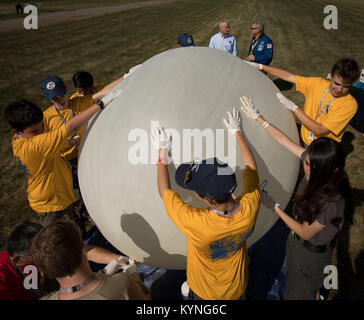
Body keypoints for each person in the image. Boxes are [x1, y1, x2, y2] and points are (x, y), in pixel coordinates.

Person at [241, 97, 353, 300]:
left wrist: (274, 207)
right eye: (306, 161)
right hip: (296, 244)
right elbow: (285, 142)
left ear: (326, 169)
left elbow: (305, 231)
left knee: (298, 293)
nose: (304, 166)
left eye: (309, 165)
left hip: (310, 256)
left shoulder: (333, 204)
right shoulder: (317, 165)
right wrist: (259, 118)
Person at [151, 104, 260, 300]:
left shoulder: (195, 222)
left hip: (204, 293)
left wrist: (162, 150)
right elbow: (252, 167)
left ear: (205, 199)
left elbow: (164, 191)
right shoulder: (251, 205)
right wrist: (238, 132)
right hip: (236, 288)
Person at [3, 89, 120, 226]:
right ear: (17, 131)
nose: (41, 132)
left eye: (42, 126)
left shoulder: (19, 139)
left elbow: (46, 151)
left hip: (56, 196)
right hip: (52, 204)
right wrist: (100, 103)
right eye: (34, 131)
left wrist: (60, 145)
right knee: (64, 241)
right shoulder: (33, 146)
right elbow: (70, 127)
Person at [246, 58, 360, 147]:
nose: (339, 90)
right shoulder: (317, 84)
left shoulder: (350, 105)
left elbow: (319, 130)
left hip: (321, 150)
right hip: (302, 137)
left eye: (346, 87)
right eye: (337, 83)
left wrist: (295, 108)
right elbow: (289, 76)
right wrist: (260, 66)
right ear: (331, 75)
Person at [31, 220, 151, 300]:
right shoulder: (123, 284)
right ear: (83, 246)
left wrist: (103, 274)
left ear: (45, 270)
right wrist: (135, 276)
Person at [0, 222, 43, 300]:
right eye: (38, 255)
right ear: (19, 259)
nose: (46, 256)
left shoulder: (25, 253)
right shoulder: (2, 278)